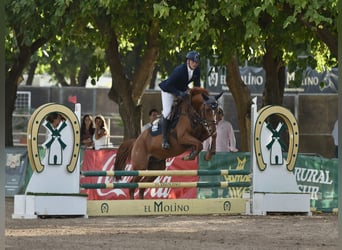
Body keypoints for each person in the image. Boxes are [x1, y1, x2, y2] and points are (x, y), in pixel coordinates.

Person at [159, 50, 201, 149]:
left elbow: (197, 86)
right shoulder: (179, 70)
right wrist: (179, 93)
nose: (195, 64)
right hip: (168, 90)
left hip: (181, 89)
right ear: (188, 61)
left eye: (196, 62)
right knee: (167, 112)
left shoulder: (197, 70)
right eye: (193, 61)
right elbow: (169, 85)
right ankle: (164, 140)